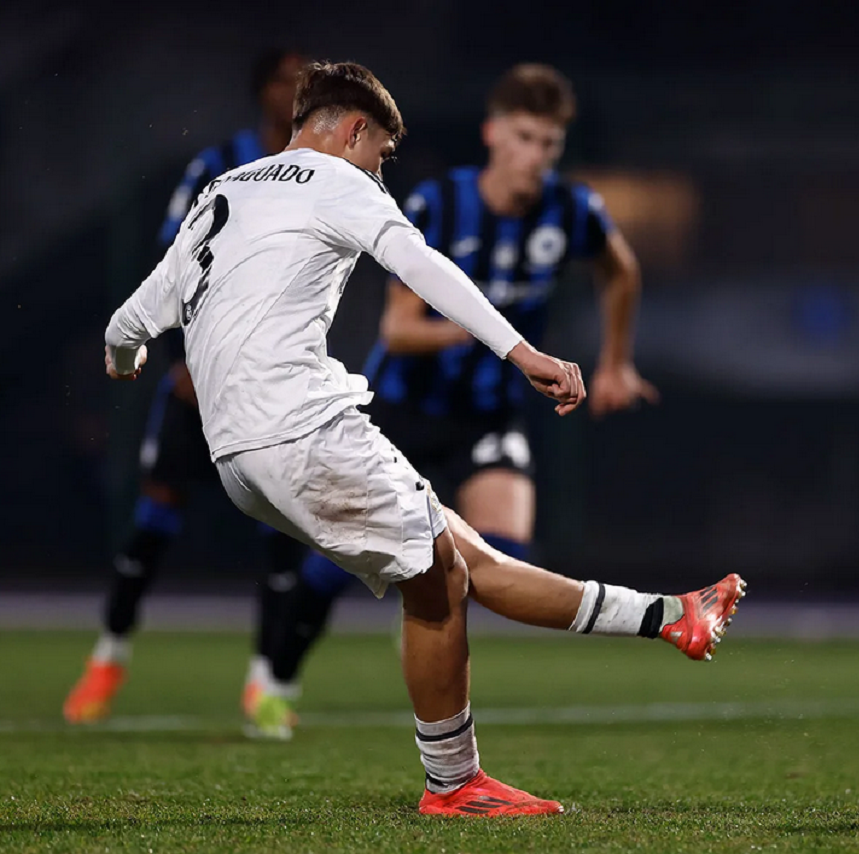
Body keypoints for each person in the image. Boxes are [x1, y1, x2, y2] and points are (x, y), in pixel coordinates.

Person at [104, 60, 741, 817]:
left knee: (461, 557)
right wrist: (523, 352)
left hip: (237, 452)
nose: (382, 170)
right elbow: (424, 265)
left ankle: (673, 618)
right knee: (441, 577)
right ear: (352, 131)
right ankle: (454, 783)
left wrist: (125, 359)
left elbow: (128, 323)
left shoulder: (224, 191)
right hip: (301, 426)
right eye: (381, 153)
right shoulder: (340, 181)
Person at [263, 64, 714, 712]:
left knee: (500, 553)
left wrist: (616, 361)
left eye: (550, 144)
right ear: (494, 134)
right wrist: (490, 330)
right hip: (406, 408)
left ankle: (424, 612)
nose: (537, 156)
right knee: (339, 562)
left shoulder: (572, 209)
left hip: (488, 413)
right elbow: (399, 330)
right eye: (526, 138)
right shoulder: (439, 203)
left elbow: (621, 270)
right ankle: (274, 681)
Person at [64, 48, 310, 726]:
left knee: (284, 529)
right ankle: (108, 658)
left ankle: (265, 685)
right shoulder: (215, 167)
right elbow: (176, 263)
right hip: (201, 378)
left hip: (272, 384)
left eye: (305, 79)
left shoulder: (320, 176)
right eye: (286, 78)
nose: (297, 90)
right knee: (155, 520)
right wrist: (186, 359)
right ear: (260, 90)